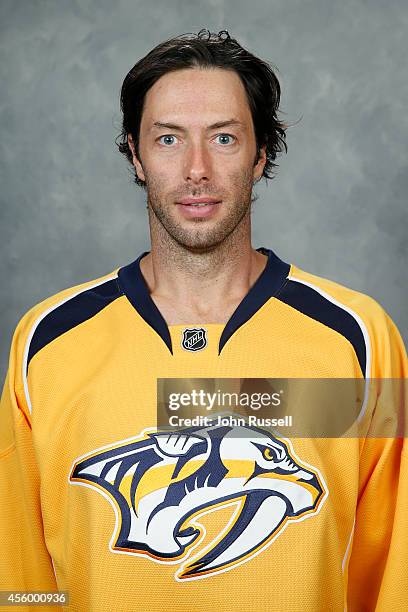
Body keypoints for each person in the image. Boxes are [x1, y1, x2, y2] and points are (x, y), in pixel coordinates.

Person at [0, 28, 406, 612]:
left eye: (223, 137)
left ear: (262, 151)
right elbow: (21, 580)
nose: (196, 169)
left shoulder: (357, 339)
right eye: (168, 139)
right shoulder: (47, 341)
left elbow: (394, 571)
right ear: (136, 155)